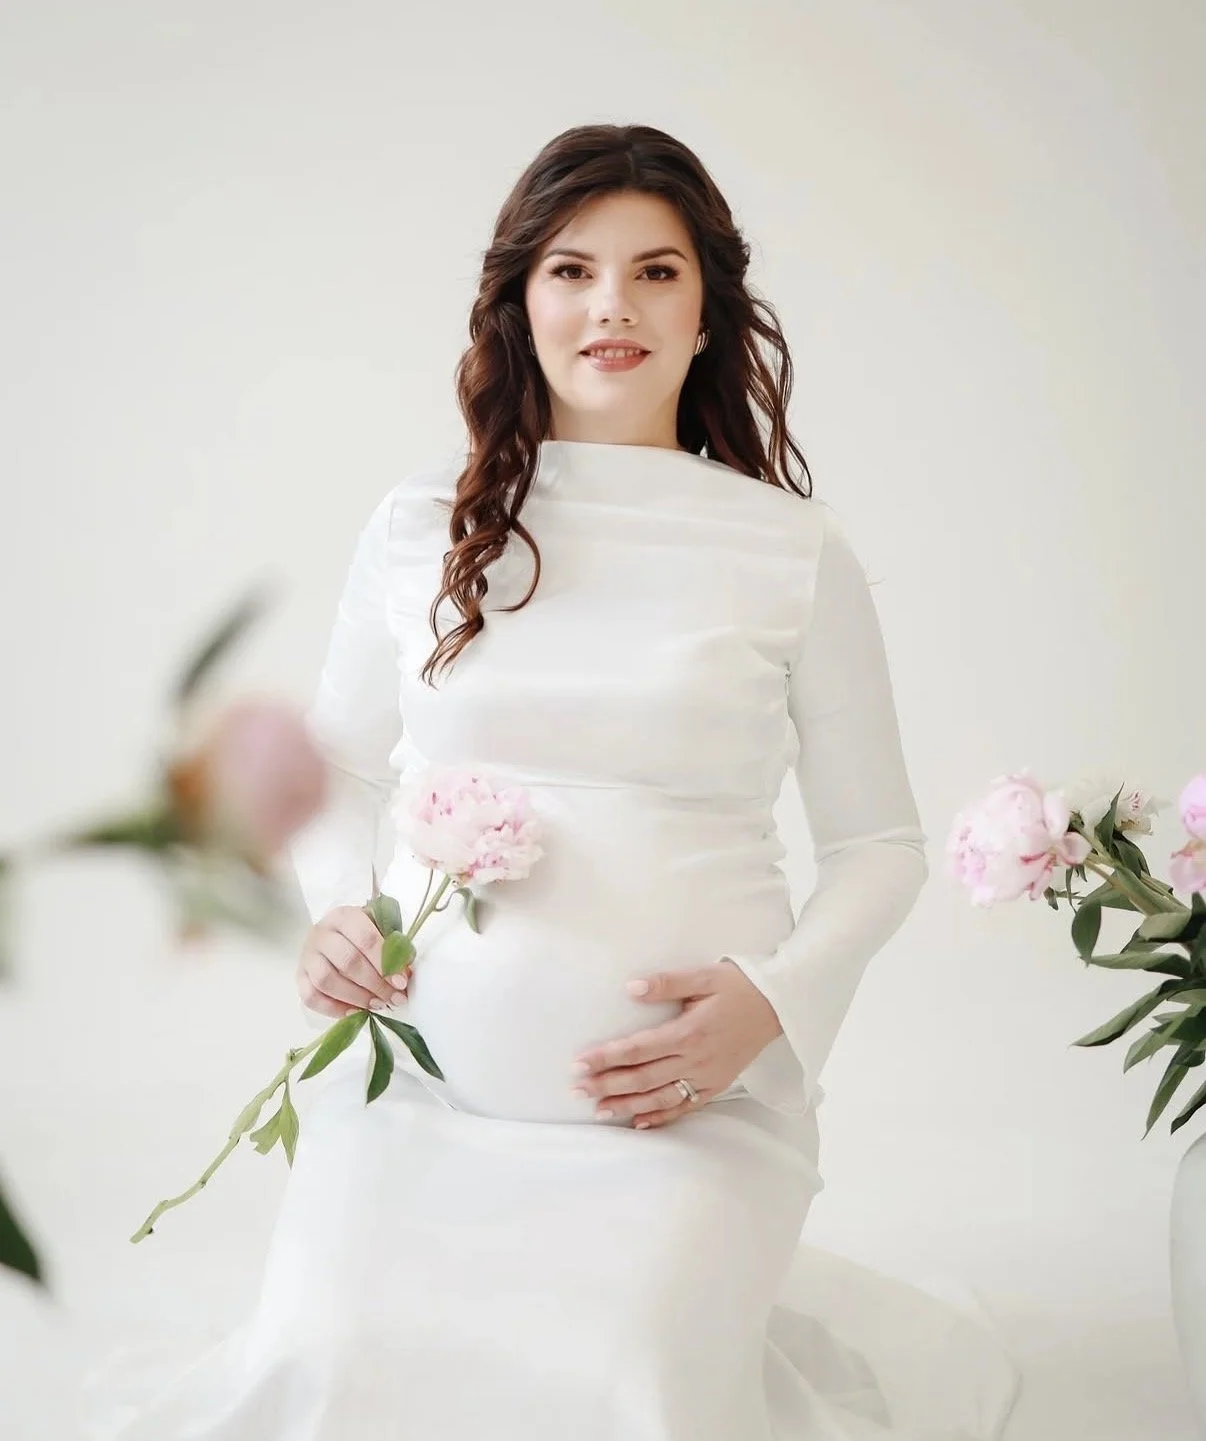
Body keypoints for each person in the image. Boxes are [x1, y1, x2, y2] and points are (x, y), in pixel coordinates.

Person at [82, 123, 1022, 1439]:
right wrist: (334, 912)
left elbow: (877, 843)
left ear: (707, 314)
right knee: (329, 1369)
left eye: (655, 273)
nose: (610, 308)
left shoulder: (789, 551)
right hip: (416, 1095)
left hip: (681, 1120)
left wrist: (770, 1003)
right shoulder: (422, 526)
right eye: (572, 271)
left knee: (637, 1393)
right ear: (521, 303)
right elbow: (340, 761)